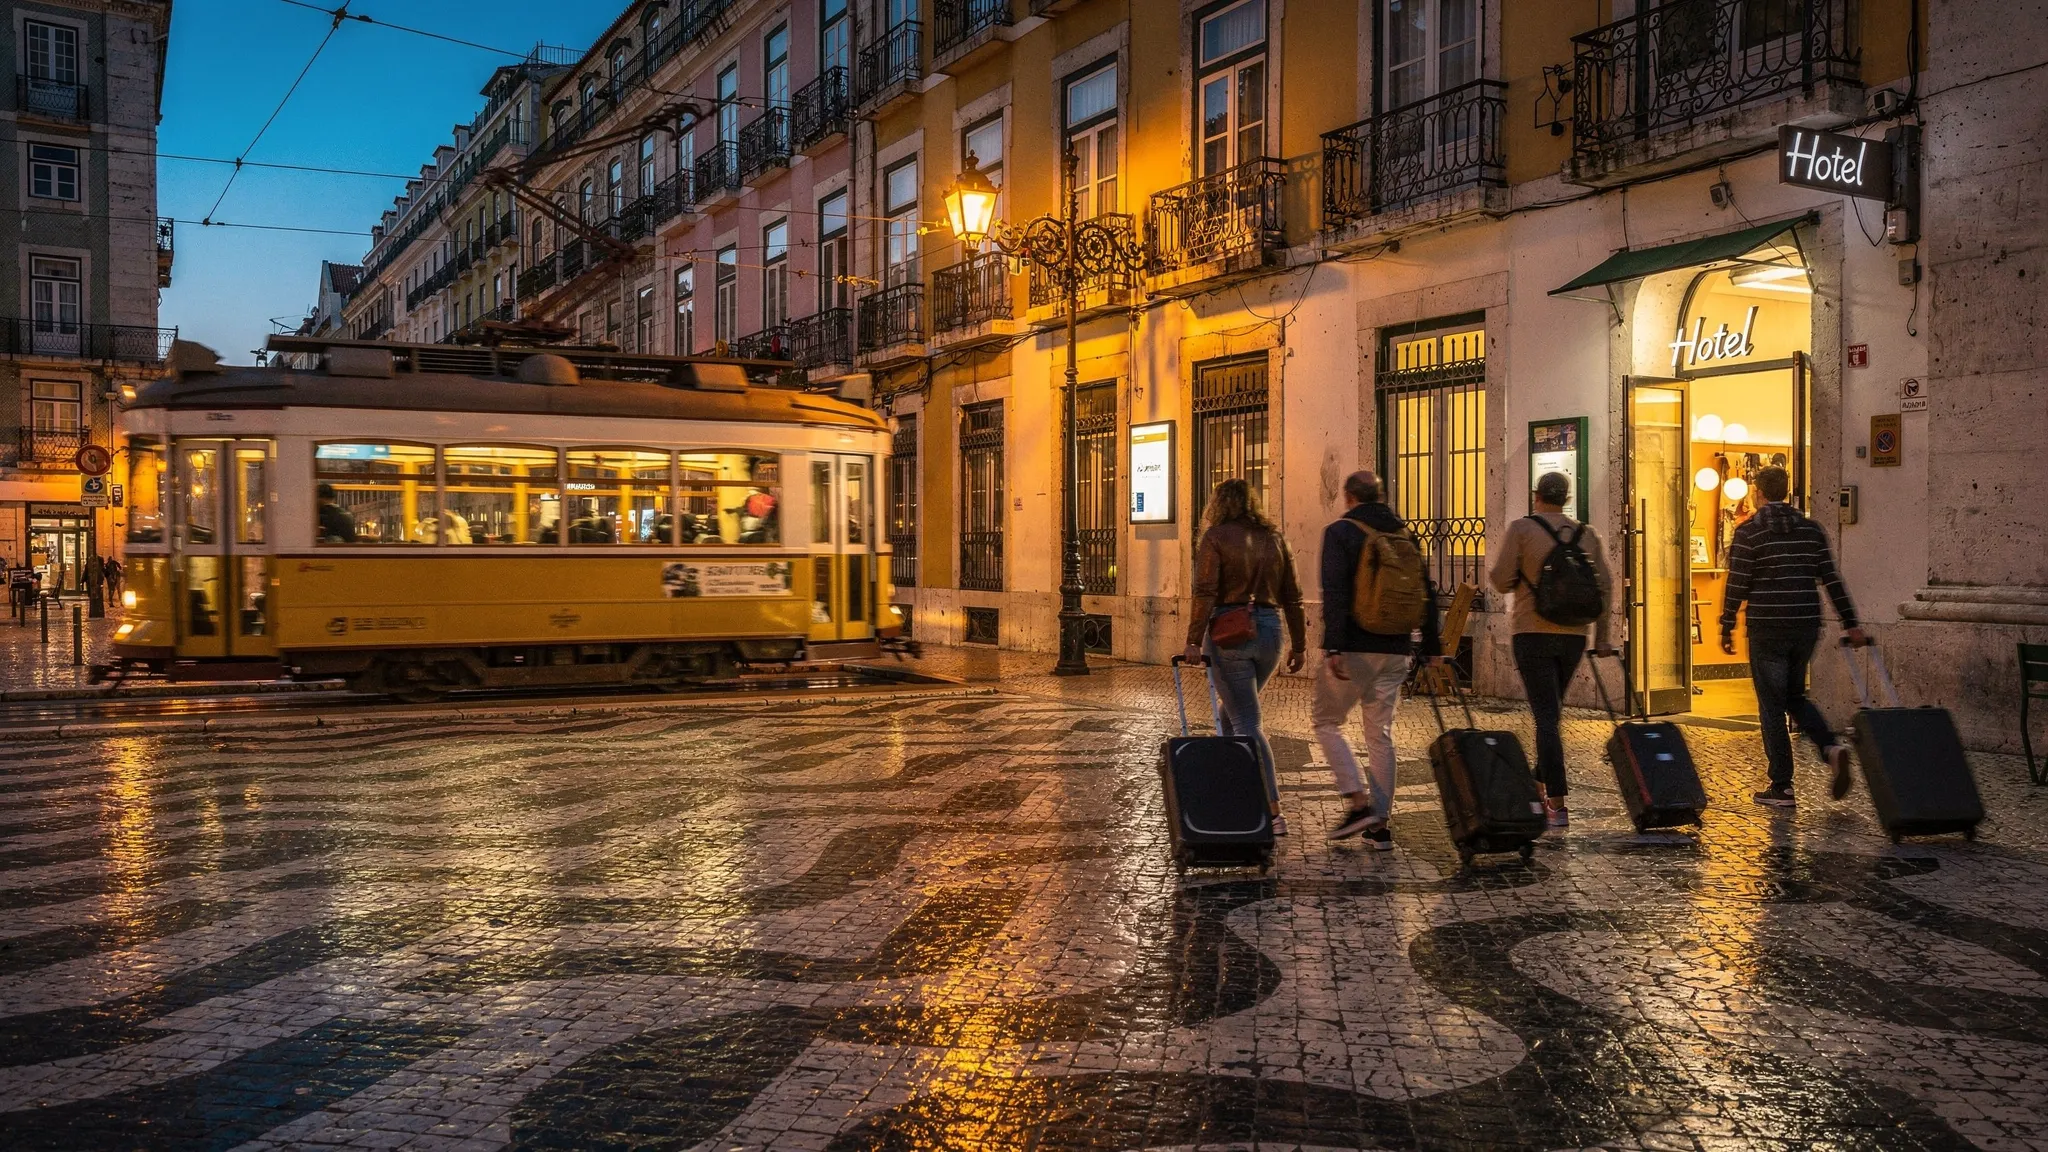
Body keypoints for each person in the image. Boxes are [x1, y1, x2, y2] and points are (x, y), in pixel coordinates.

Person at [1719, 465, 1864, 807]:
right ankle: (1830, 748)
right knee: (1795, 696)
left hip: (1767, 626)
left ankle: (1781, 785)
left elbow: (1738, 582)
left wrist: (1727, 623)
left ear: (1758, 492)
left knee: (1771, 705)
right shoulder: (1811, 530)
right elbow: (1831, 579)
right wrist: (1850, 622)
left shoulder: (1750, 532)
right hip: (1805, 625)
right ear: (1786, 491)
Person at [1312, 470, 1443, 848]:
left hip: (1354, 646)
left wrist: (1333, 644)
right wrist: (1432, 646)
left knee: (1326, 721)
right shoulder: (1404, 533)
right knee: (1380, 734)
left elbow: (1334, 592)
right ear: (1380, 496)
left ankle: (1357, 801)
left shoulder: (1340, 532)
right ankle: (1380, 824)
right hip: (1397, 648)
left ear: (1349, 496)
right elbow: (1427, 593)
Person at [1486, 471, 1615, 831]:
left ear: (1536, 495)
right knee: (1551, 712)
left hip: (1532, 632)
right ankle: (1539, 779)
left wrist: (1523, 577)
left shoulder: (1522, 530)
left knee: (1545, 716)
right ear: (1567, 497)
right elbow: (1605, 587)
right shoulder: (1587, 535)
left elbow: (1499, 579)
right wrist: (1602, 637)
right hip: (1575, 636)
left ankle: (1556, 801)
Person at [1182, 479, 1308, 835]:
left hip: (1229, 632)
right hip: (1270, 632)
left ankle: (1272, 809)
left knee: (1247, 722)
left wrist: (1193, 640)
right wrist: (1299, 645)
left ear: (1218, 504)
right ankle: (1234, 790)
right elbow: (1294, 597)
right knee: (1229, 714)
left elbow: (1205, 590)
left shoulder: (1216, 537)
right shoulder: (1276, 539)